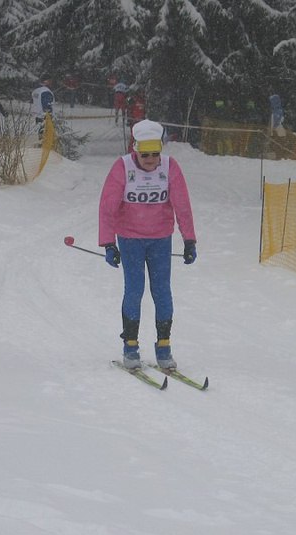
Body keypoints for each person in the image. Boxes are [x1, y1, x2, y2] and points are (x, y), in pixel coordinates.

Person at [98, 119, 197, 370]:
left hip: (160, 239)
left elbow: (182, 205)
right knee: (134, 290)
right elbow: (108, 207)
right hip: (130, 239)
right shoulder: (122, 167)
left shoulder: (170, 167)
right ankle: (130, 347)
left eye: (155, 153)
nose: (151, 159)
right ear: (136, 150)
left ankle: (164, 347)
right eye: (145, 154)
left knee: (162, 291)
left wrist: (189, 239)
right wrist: (108, 243)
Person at [31, 74, 55, 139]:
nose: (51, 82)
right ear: (46, 81)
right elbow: (47, 106)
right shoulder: (46, 91)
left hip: (37, 116)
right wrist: (50, 116)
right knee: (47, 137)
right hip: (45, 117)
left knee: (41, 135)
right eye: (50, 80)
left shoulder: (36, 91)